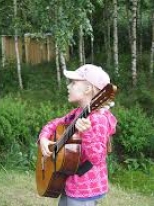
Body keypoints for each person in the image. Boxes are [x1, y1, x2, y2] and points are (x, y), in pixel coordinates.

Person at [38, 64, 117, 206]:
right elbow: (53, 124)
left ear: (88, 89)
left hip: (86, 189)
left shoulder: (98, 119)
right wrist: (43, 138)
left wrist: (87, 133)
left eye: (73, 83)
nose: (68, 86)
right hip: (69, 182)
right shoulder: (76, 113)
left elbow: (97, 157)